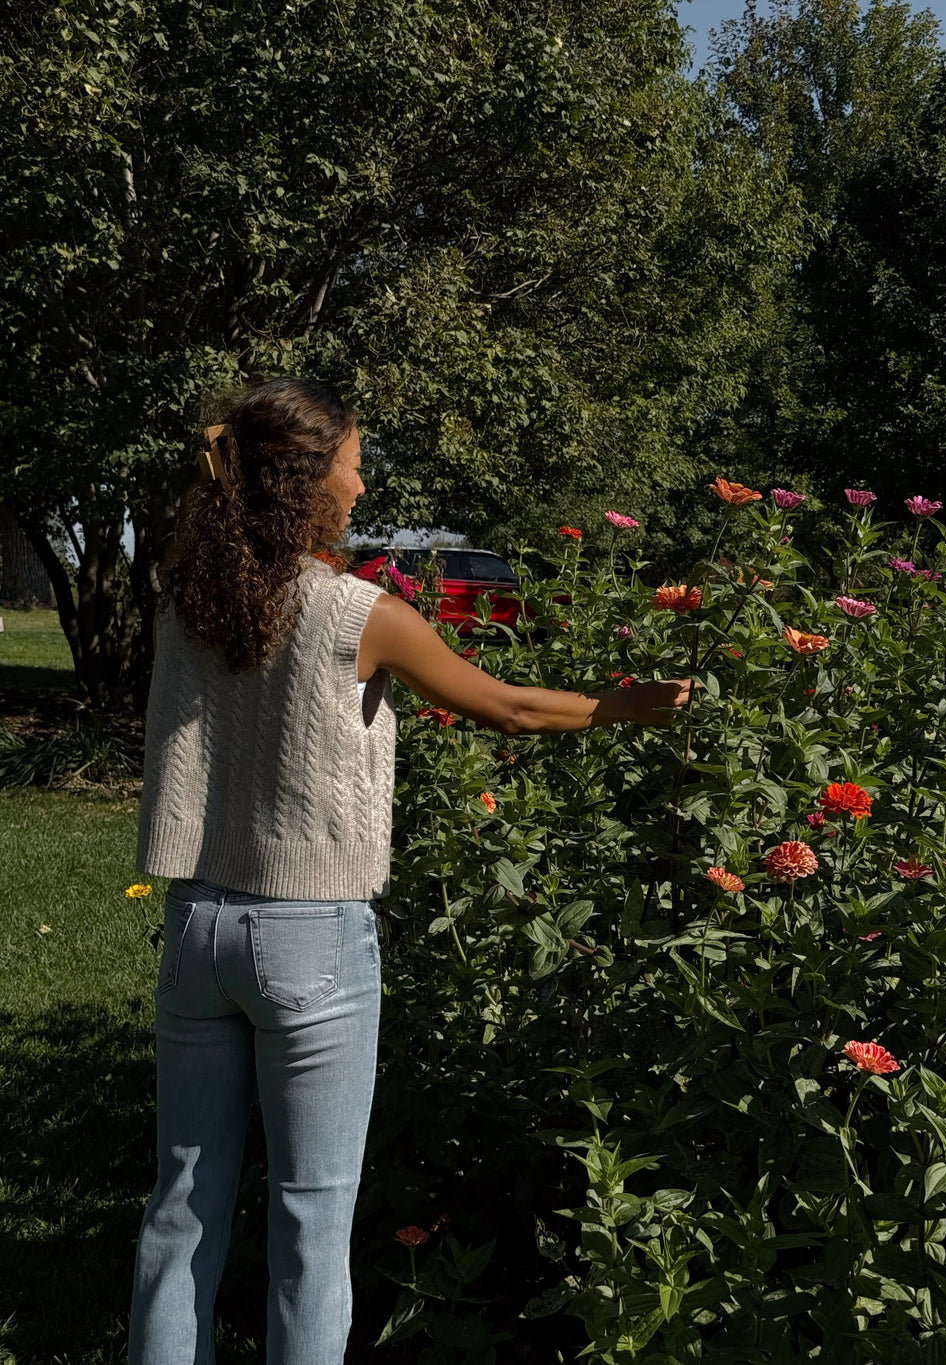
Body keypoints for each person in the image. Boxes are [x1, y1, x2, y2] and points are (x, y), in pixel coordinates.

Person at [128, 376, 693, 1365]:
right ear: (308, 481)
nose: (360, 481)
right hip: (308, 933)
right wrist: (618, 706)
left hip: (197, 926)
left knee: (181, 1208)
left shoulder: (189, 602)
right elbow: (507, 706)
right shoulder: (359, 613)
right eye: (352, 463)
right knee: (310, 1221)